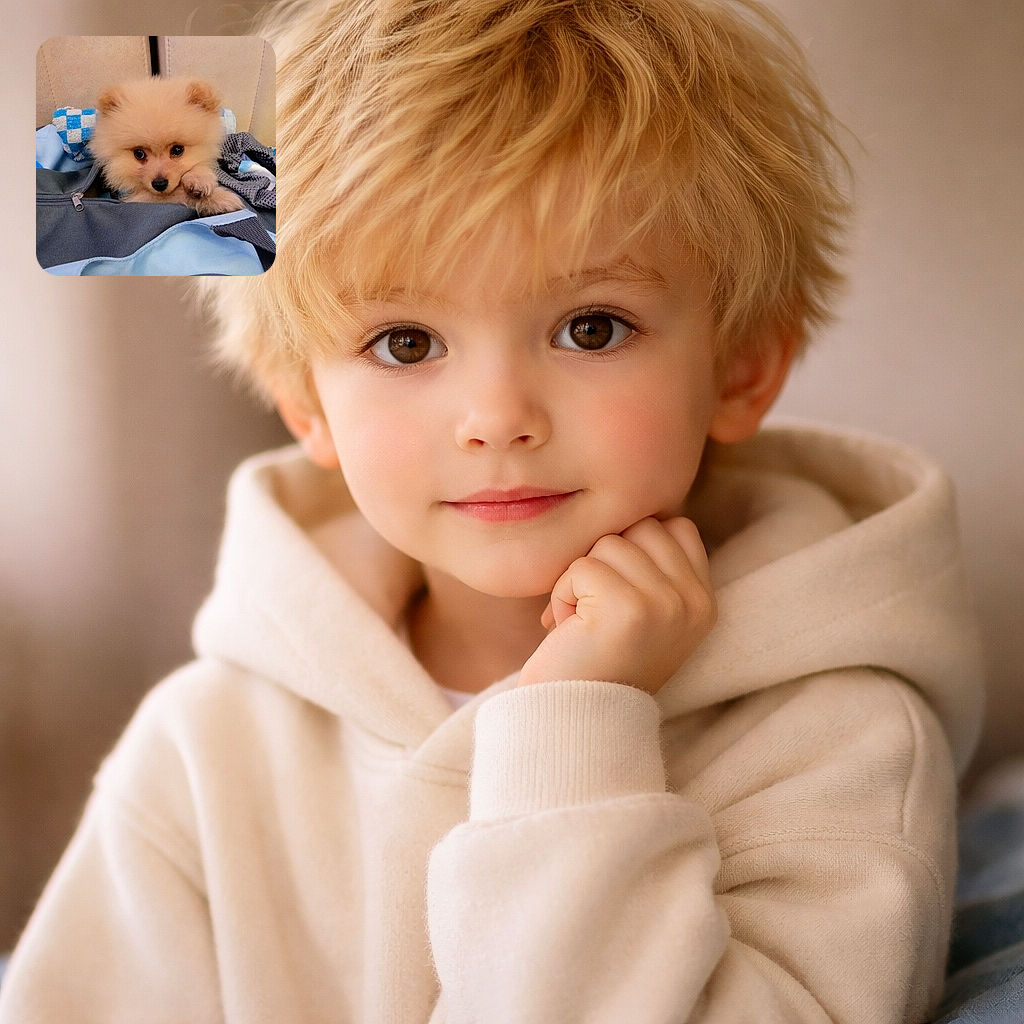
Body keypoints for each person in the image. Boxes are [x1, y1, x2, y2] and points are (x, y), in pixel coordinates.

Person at [1, 0, 985, 1021]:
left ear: (739, 368)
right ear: (305, 404)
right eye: (406, 344)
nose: (498, 418)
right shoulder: (206, 746)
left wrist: (575, 723)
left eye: (591, 328)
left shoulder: (837, 734)